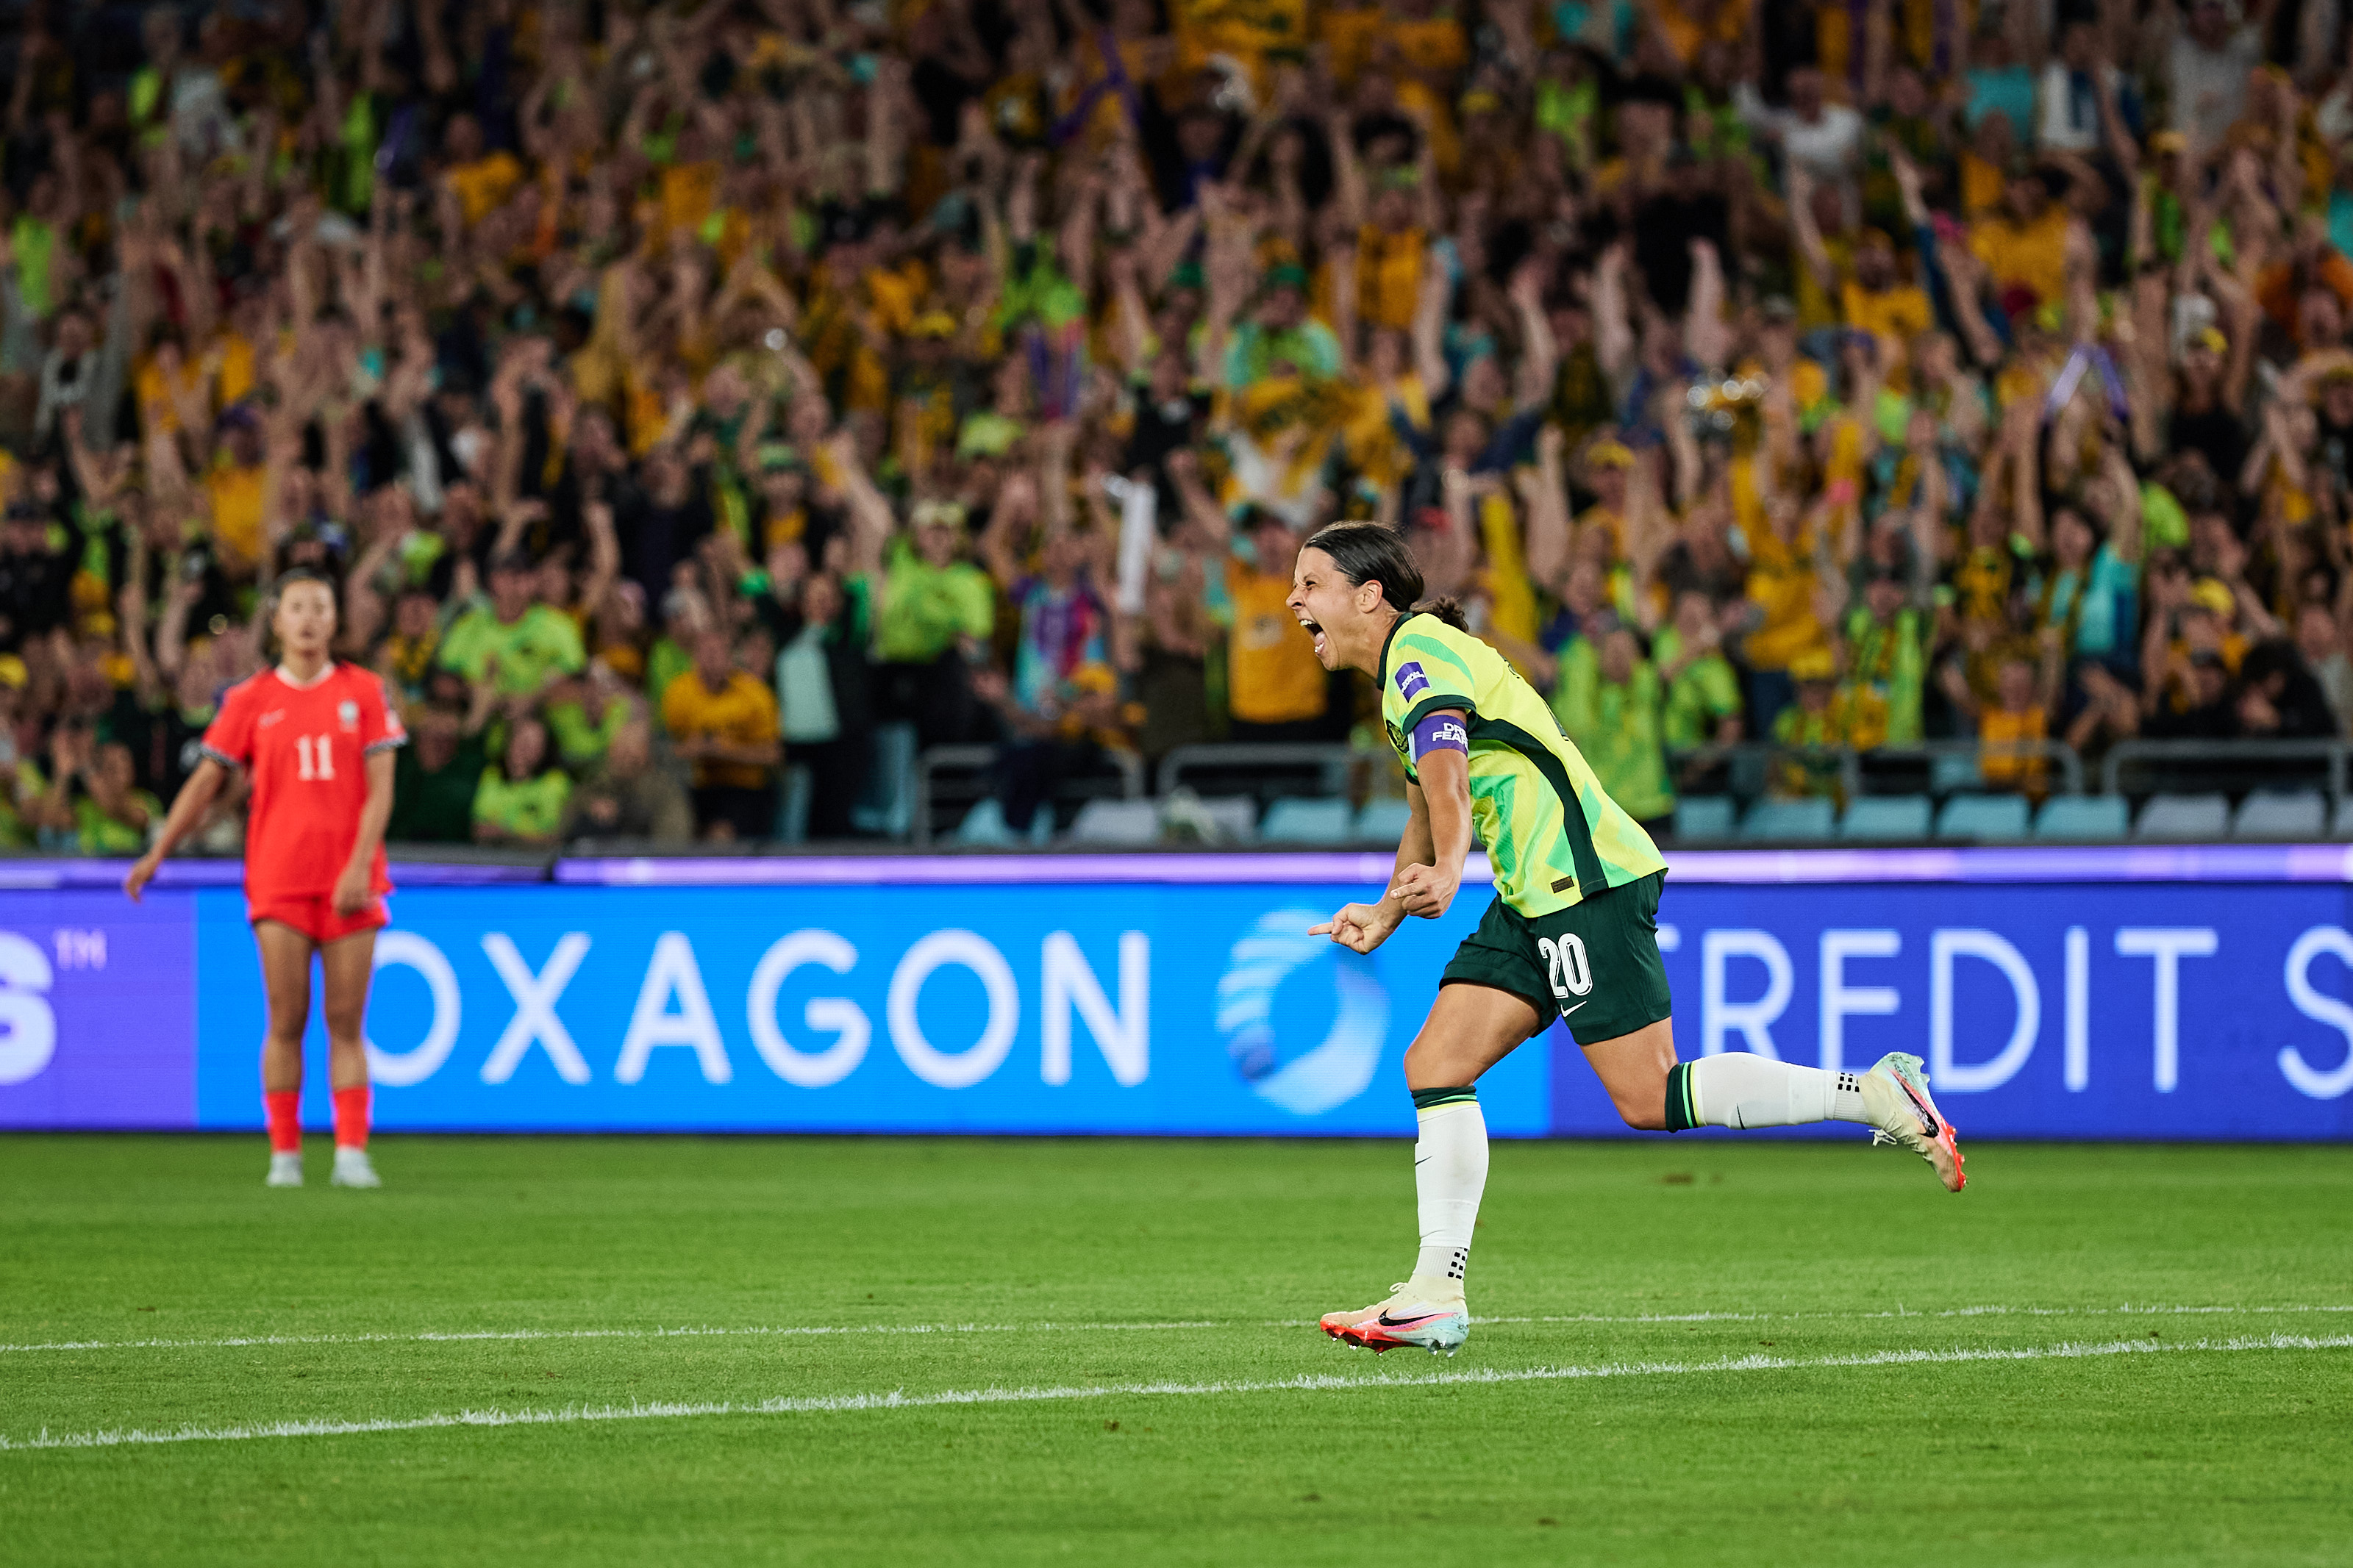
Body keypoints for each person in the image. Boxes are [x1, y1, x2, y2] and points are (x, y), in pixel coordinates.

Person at [1288, 523, 1962, 1357]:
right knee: (1435, 1065)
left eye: (1310, 583)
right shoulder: (1406, 671)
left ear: (1367, 596)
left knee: (1649, 1095)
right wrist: (1388, 910)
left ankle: (1876, 1093)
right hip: (1534, 896)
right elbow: (1424, 807)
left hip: (1583, 881)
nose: (1293, 599)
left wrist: (1453, 867)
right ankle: (1434, 1294)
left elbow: (1450, 784)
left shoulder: (1420, 655)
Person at [122, 568, 405, 1190]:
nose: (308, 619)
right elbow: (207, 780)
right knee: (286, 1017)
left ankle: (351, 1152)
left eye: (320, 607)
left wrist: (359, 864)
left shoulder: (364, 690)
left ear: (335, 619)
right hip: (279, 877)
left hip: (352, 879)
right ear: (275, 621)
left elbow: (381, 788)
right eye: (296, 607)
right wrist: (158, 851)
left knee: (346, 1020)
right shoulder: (250, 698)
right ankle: (285, 1154)